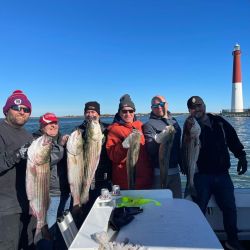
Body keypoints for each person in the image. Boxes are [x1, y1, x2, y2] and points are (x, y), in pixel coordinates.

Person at [186, 96, 248, 250]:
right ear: (189, 111)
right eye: (193, 108)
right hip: (201, 177)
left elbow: (232, 139)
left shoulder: (219, 121)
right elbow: (184, 150)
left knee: (230, 208)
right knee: (198, 210)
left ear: (204, 105)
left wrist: (241, 156)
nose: (197, 109)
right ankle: (196, 243)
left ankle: (232, 240)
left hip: (222, 175)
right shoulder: (190, 126)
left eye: (199, 105)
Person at [0, 90, 35, 250]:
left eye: (26, 109)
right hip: (6, 208)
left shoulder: (28, 135)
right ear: (6, 110)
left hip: (29, 204)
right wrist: (17, 154)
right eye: (16, 107)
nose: (22, 111)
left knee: (29, 245)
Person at [32, 112, 71, 250]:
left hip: (67, 192)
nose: (53, 126)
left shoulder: (63, 138)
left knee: (64, 227)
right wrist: (61, 146)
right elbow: (46, 160)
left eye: (55, 123)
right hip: (49, 194)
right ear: (42, 126)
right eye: (49, 123)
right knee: (47, 228)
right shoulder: (37, 141)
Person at [74, 101, 112, 224]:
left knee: (104, 212)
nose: (90, 114)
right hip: (85, 176)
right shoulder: (78, 131)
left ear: (98, 114)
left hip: (103, 176)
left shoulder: (107, 128)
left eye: (93, 112)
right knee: (85, 211)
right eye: (87, 112)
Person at [106, 94, 153, 190]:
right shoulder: (114, 130)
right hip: (125, 182)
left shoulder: (140, 126)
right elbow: (113, 156)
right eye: (124, 111)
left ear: (134, 112)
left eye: (130, 111)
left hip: (145, 181)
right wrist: (124, 145)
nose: (128, 114)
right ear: (119, 113)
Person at [143, 95, 182, 198]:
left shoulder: (174, 121)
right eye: (155, 105)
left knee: (177, 204)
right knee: (159, 206)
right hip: (158, 173)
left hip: (176, 172)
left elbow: (179, 146)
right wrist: (159, 138)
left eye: (161, 104)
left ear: (167, 105)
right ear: (151, 108)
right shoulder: (148, 125)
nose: (159, 107)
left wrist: (184, 164)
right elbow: (150, 149)